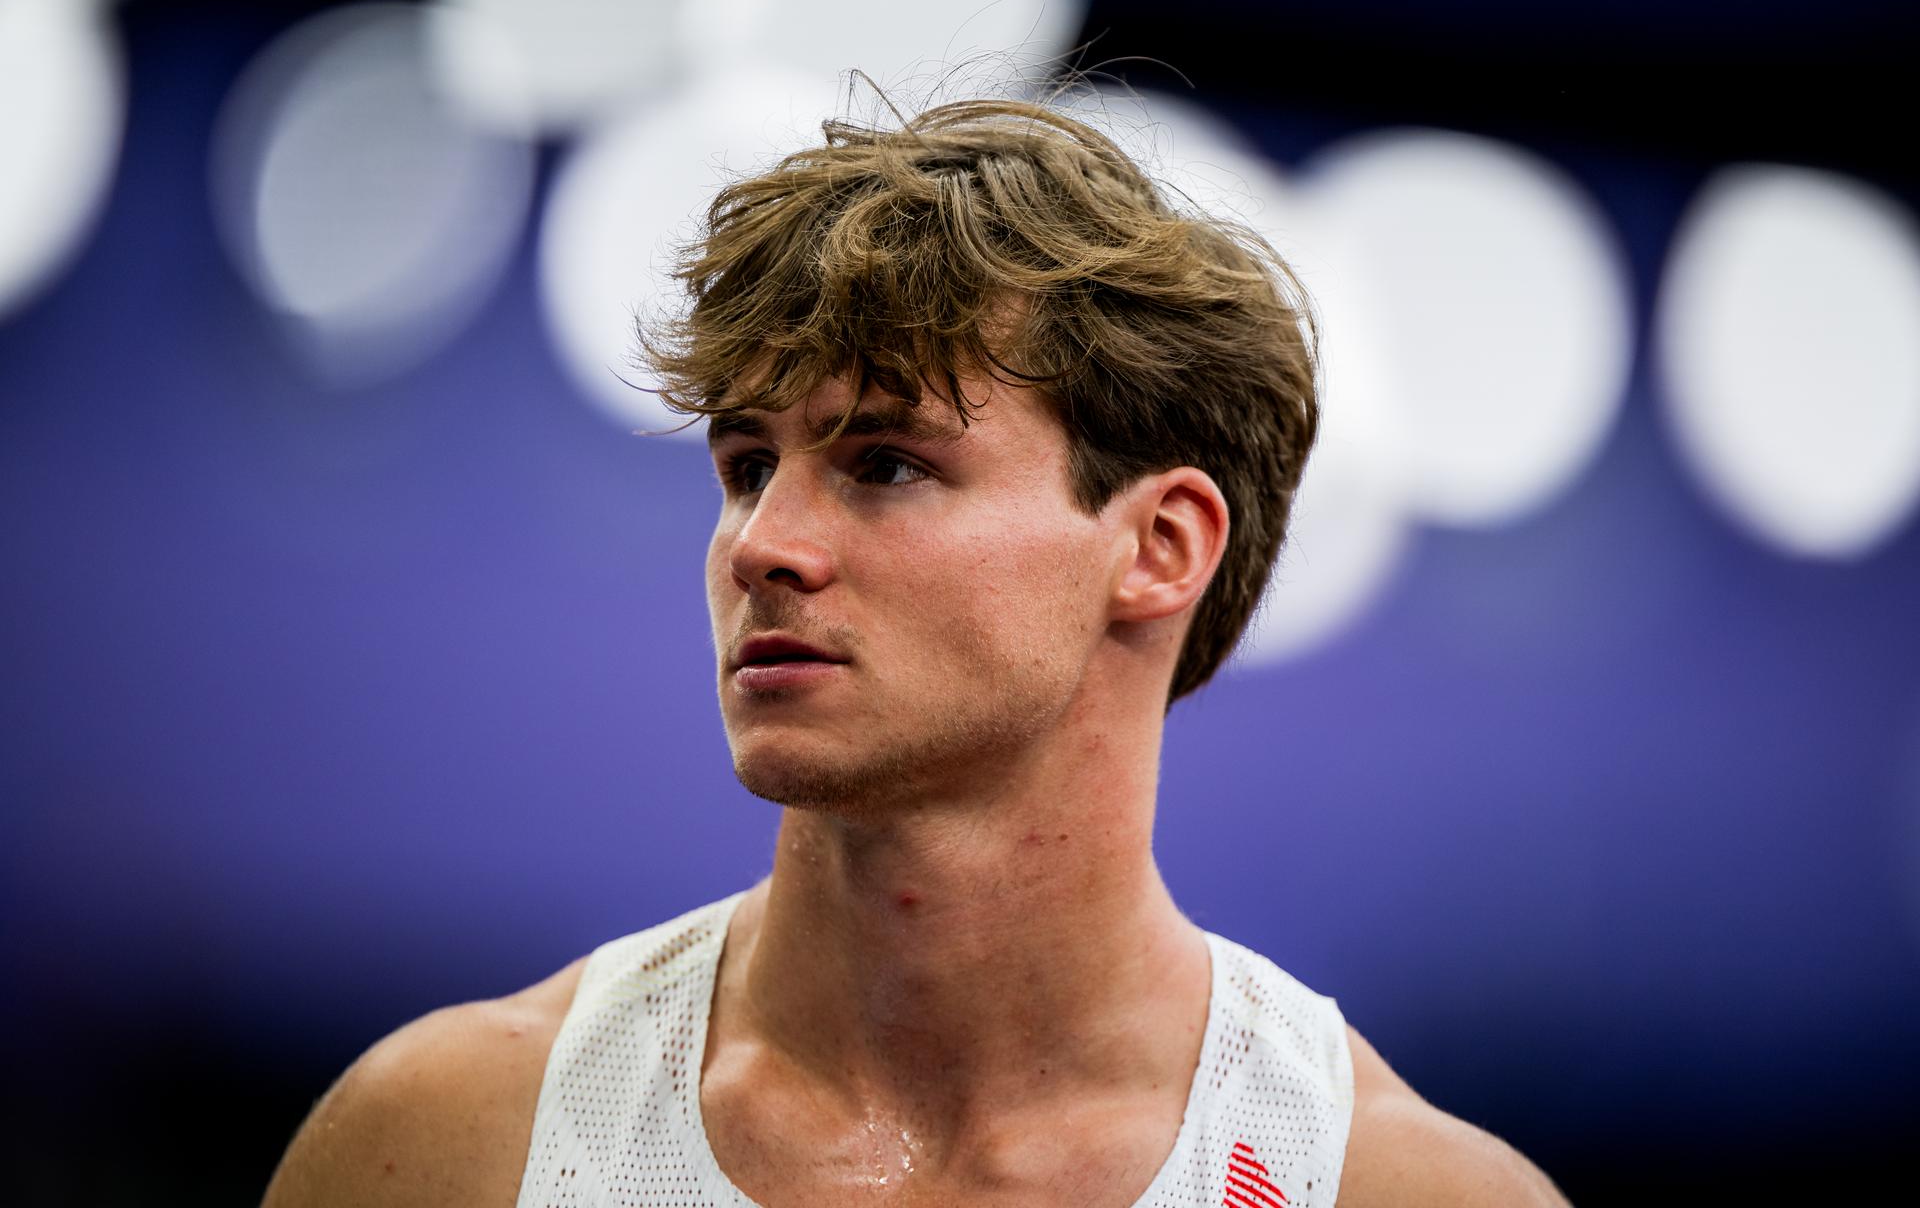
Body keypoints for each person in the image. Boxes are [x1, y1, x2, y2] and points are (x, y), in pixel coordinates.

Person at [262, 96, 1569, 1207]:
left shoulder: (1395, 1186)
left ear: (1160, 545)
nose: (762, 544)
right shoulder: (451, 1143)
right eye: (746, 465)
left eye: (884, 463)